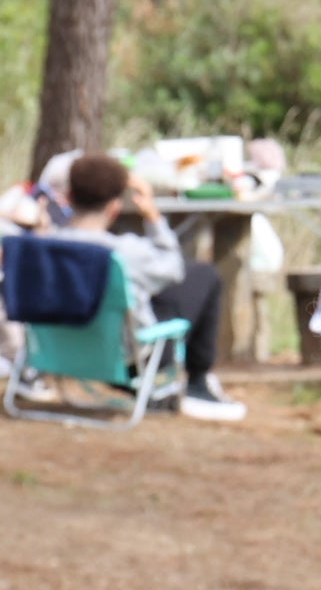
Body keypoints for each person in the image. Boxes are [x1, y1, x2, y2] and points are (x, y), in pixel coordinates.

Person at [53, 152, 245, 421]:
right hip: (124, 358)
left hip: (58, 352)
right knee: (203, 275)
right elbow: (174, 269)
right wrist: (153, 216)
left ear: (69, 198)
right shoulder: (125, 253)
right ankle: (197, 383)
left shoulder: (38, 248)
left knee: (144, 290)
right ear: (115, 207)